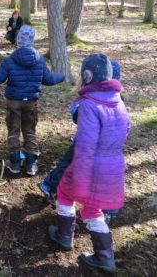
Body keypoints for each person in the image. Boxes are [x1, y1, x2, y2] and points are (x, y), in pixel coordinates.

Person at [48, 54, 130, 273]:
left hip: (90, 166)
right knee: (93, 207)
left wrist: (81, 182)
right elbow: (125, 131)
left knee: (65, 192)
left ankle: (64, 235)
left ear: (87, 76)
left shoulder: (89, 104)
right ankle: (104, 256)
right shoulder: (118, 101)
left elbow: (84, 146)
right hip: (113, 166)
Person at [0, 25, 65, 176]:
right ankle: (31, 164)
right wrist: (62, 75)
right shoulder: (39, 60)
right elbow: (49, 79)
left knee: (13, 130)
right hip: (31, 102)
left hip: (13, 101)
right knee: (30, 130)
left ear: (18, 41)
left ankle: (15, 162)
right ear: (32, 41)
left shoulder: (11, 60)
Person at [39, 60, 123, 224]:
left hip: (86, 146)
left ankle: (51, 188)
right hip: (109, 149)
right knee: (107, 176)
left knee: (69, 165)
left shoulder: (89, 99)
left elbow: (78, 118)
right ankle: (108, 210)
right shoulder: (119, 100)